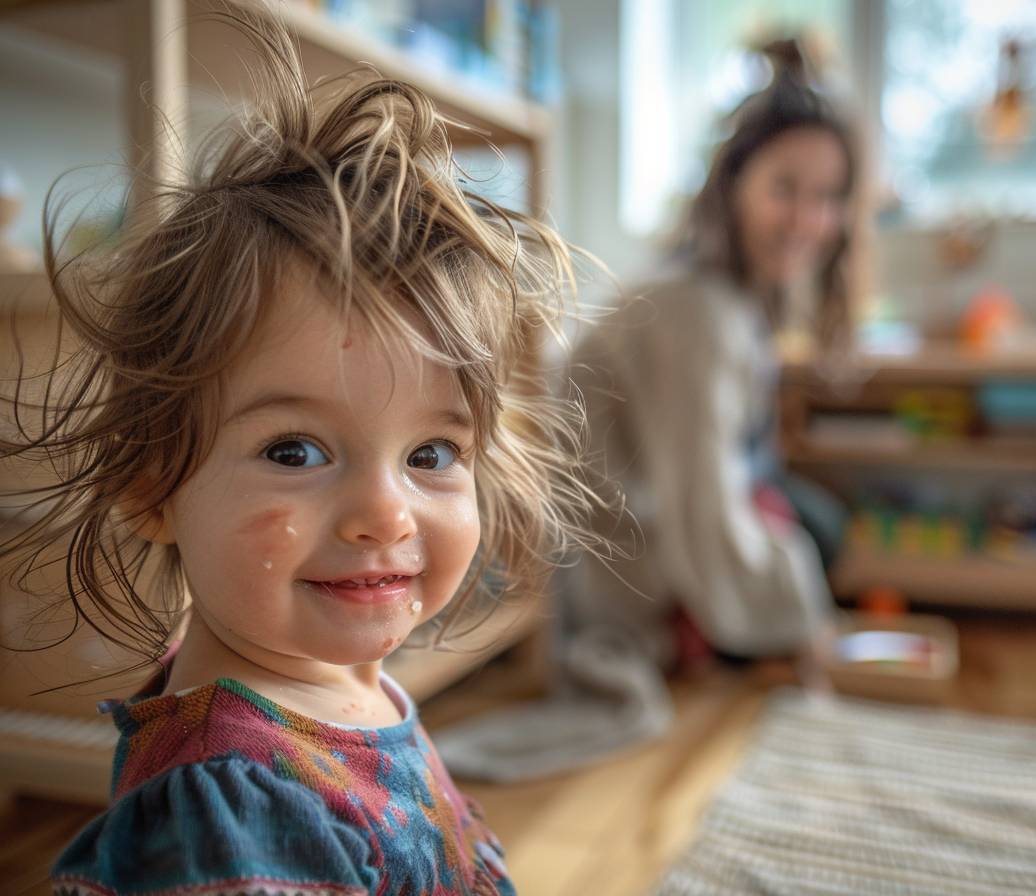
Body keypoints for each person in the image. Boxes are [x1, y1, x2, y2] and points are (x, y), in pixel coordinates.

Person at [2, 11, 599, 895]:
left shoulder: (330, 675)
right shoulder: (238, 807)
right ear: (150, 484)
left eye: (432, 453)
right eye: (294, 450)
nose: (386, 514)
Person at [434, 37, 865, 783]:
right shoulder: (696, 311)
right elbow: (703, 498)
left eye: (828, 197)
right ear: (734, 187)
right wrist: (805, 624)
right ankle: (704, 626)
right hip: (617, 533)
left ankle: (720, 625)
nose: (808, 217)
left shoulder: (734, 302)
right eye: (785, 188)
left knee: (814, 524)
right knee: (811, 539)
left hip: (656, 499)